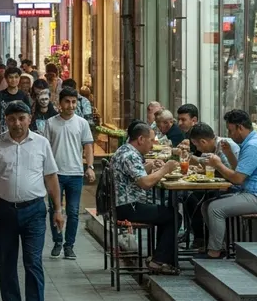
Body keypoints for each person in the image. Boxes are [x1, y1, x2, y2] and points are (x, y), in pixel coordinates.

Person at [0, 101, 62, 301]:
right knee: (6, 262)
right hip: (4, 210)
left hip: (34, 210)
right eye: (12, 119)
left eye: (21, 118)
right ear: (6, 120)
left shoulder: (41, 144)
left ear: (29, 118)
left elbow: (51, 177)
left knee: (33, 262)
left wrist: (57, 209)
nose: (17, 123)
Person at [111, 121, 179, 274]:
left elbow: (135, 174)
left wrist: (150, 166)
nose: (153, 145)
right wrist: (165, 169)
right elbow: (145, 183)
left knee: (167, 212)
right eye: (151, 140)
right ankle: (159, 261)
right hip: (129, 207)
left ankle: (159, 257)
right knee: (172, 216)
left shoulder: (124, 150)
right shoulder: (131, 155)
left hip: (124, 204)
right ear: (141, 139)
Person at [43, 87, 95, 260]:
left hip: (75, 174)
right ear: (60, 103)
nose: (71, 105)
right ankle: (58, 241)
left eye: (74, 102)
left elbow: (88, 146)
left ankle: (69, 246)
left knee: (73, 211)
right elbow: (45, 149)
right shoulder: (51, 123)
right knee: (54, 209)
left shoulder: (82, 123)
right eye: (67, 101)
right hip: (55, 174)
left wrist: (90, 166)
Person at [202, 109, 257, 258]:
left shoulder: (253, 146)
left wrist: (218, 165)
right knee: (207, 205)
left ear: (240, 127)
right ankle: (221, 246)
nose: (229, 135)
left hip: (256, 195)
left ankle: (215, 252)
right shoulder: (250, 143)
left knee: (215, 209)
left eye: (230, 130)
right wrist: (228, 154)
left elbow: (237, 178)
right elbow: (239, 170)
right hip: (248, 192)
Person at [184, 122, 239, 250]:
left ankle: (215, 246)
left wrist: (198, 161)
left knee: (206, 204)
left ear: (203, 142)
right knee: (195, 201)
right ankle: (207, 241)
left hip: (237, 188)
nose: (197, 149)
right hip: (222, 186)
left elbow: (232, 175)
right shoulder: (211, 148)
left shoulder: (225, 146)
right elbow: (211, 169)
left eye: (197, 145)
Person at [0, 67, 32, 133]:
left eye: (16, 77)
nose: (13, 80)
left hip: (19, 129)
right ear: (6, 78)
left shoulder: (23, 95)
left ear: (19, 78)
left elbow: (28, 113)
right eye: (10, 77)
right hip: (3, 130)